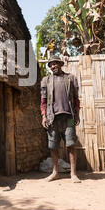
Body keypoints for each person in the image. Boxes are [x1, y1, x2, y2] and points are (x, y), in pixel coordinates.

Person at [40, 55, 81, 183]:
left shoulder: (70, 78)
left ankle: (73, 174)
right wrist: (43, 116)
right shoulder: (46, 80)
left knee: (71, 144)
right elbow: (43, 101)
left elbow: (76, 99)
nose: (53, 66)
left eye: (55, 63)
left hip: (68, 116)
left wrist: (77, 113)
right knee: (53, 146)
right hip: (52, 118)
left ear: (61, 64)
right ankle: (55, 172)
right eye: (51, 64)